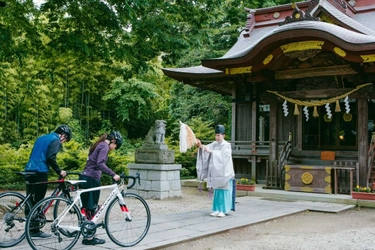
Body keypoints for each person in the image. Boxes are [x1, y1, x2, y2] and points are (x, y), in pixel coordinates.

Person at [25, 124, 72, 238]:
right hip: (40, 171)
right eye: (65, 140)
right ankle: (34, 230)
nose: (63, 142)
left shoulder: (41, 138)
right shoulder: (55, 140)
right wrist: (59, 171)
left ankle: (30, 227)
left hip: (29, 170)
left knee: (30, 200)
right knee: (38, 201)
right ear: (63, 136)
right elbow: (51, 157)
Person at [79, 131, 123, 246]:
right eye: (115, 146)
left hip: (85, 177)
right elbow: (100, 164)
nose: (114, 148)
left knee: (88, 208)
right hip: (92, 179)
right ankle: (89, 238)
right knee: (91, 208)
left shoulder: (99, 144)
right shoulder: (104, 146)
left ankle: (88, 235)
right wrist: (113, 174)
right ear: (113, 141)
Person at [195, 124, 235, 218]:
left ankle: (223, 210)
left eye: (219, 135)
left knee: (224, 191)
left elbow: (225, 156)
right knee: (217, 191)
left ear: (223, 135)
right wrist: (200, 145)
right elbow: (207, 148)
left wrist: (212, 152)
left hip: (225, 173)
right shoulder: (214, 144)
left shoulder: (227, 145)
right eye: (216, 135)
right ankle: (217, 209)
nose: (217, 137)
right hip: (217, 172)